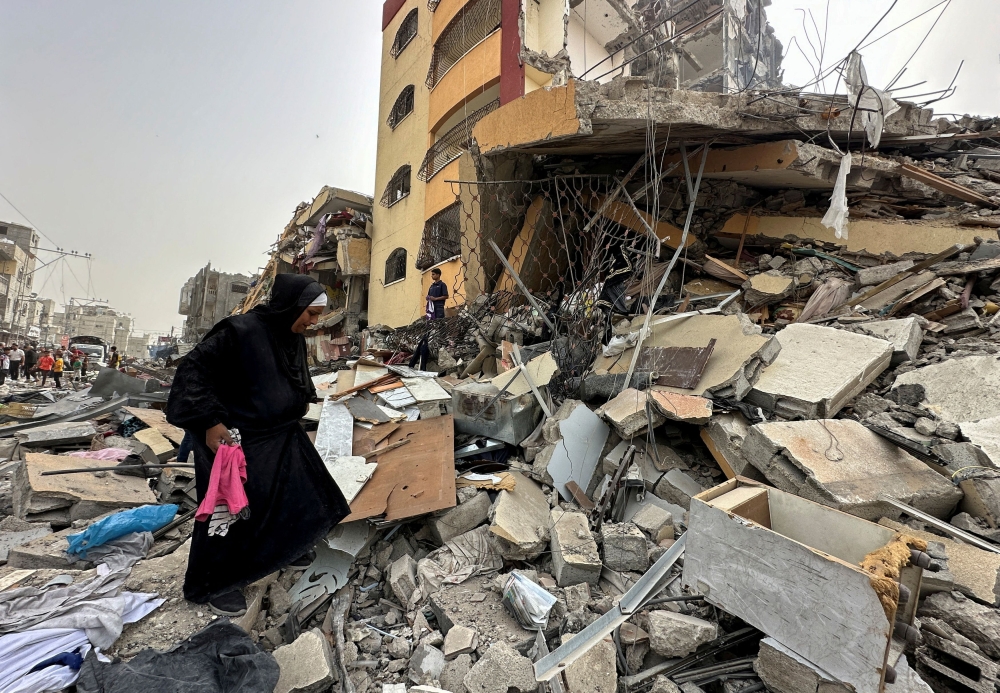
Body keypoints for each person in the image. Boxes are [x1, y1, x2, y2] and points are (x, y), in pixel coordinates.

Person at [166, 274, 350, 616]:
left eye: (316, 315)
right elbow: (192, 373)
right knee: (232, 512)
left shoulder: (288, 334)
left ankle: (285, 549)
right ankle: (214, 584)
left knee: (298, 492)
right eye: (309, 314)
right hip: (235, 439)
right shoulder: (240, 331)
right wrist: (209, 420)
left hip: (278, 434)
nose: (313, 323)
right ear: (290, 306)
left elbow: (292, 376)